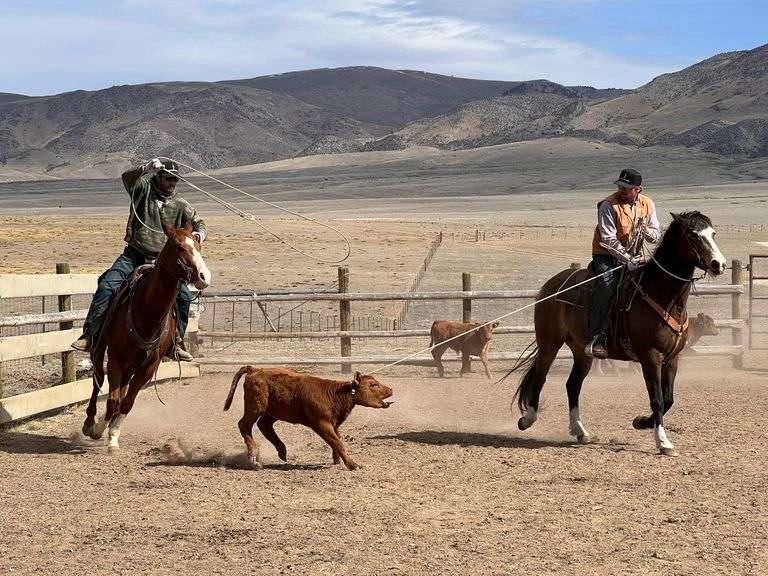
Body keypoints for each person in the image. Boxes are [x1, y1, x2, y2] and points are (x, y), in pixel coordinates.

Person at [71, 158, 207, 361]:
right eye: (168, 178)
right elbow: (127, 178)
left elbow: (200, 224)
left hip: (164, 264)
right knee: (108, 285)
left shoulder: (182, 205)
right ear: (158, 177)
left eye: (175, 180)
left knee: (184, 298)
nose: (172, 183)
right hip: (134, 255)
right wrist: (145, 168)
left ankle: (175, 343)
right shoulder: (142, 190)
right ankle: (91, 334)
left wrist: (198, 235)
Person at [585, 168, 660, 359]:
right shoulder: (608, 205)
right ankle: (596, 337)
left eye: (626, 188)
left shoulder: (648, 203)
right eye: (620, 187)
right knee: (607, 285)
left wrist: (646, 232)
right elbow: (608, 239)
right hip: (605, 256)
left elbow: (655, 233)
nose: (622, 190)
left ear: (638, 189)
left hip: (635, 255)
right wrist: (627, 259)